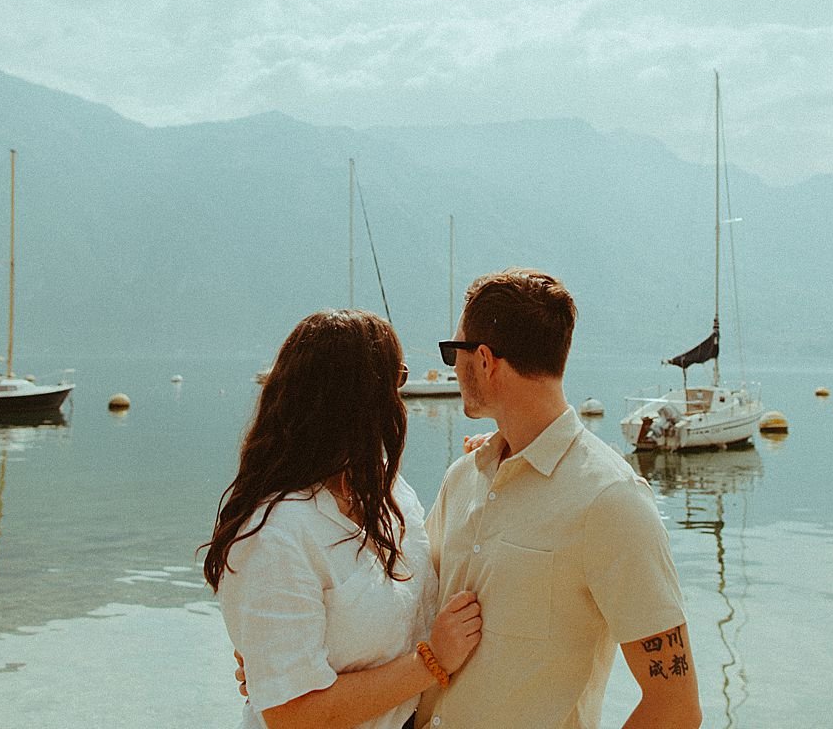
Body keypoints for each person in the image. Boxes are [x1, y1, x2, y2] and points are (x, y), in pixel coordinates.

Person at [420, 268, 702, 729]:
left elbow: (676, 707)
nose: (453, 367)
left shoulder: (611, 501)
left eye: (455, 352)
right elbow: (410, 602)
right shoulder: (462, 479)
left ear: (485, 360)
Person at [203, 309, 483, 729]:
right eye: (397, 378)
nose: (399, 397)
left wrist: (497, 458)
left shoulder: (388, 494)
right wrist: (432, 661)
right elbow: (293, 714)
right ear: (356, 399)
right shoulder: (276, 535)